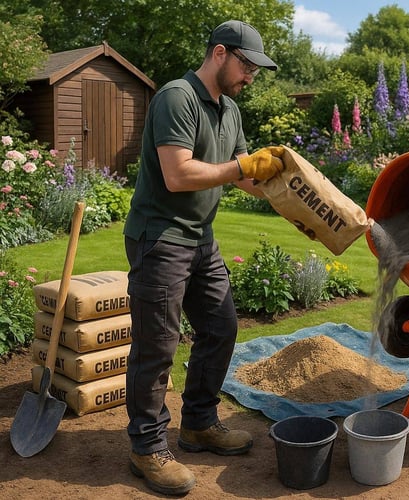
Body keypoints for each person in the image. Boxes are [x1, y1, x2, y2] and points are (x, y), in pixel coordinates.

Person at [122, 20, 284, 495]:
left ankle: (197, 423)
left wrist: (294, 191)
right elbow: (178, 174)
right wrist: (241, 166)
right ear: (219, 53)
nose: (250, 76)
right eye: (247, 65)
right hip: (160, 238)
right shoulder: (177, 97)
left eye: (255, 70)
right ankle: (147, 447)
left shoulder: (229, 110)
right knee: (157, 346)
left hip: (200, 238)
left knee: (220, 328)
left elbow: (246, 177)